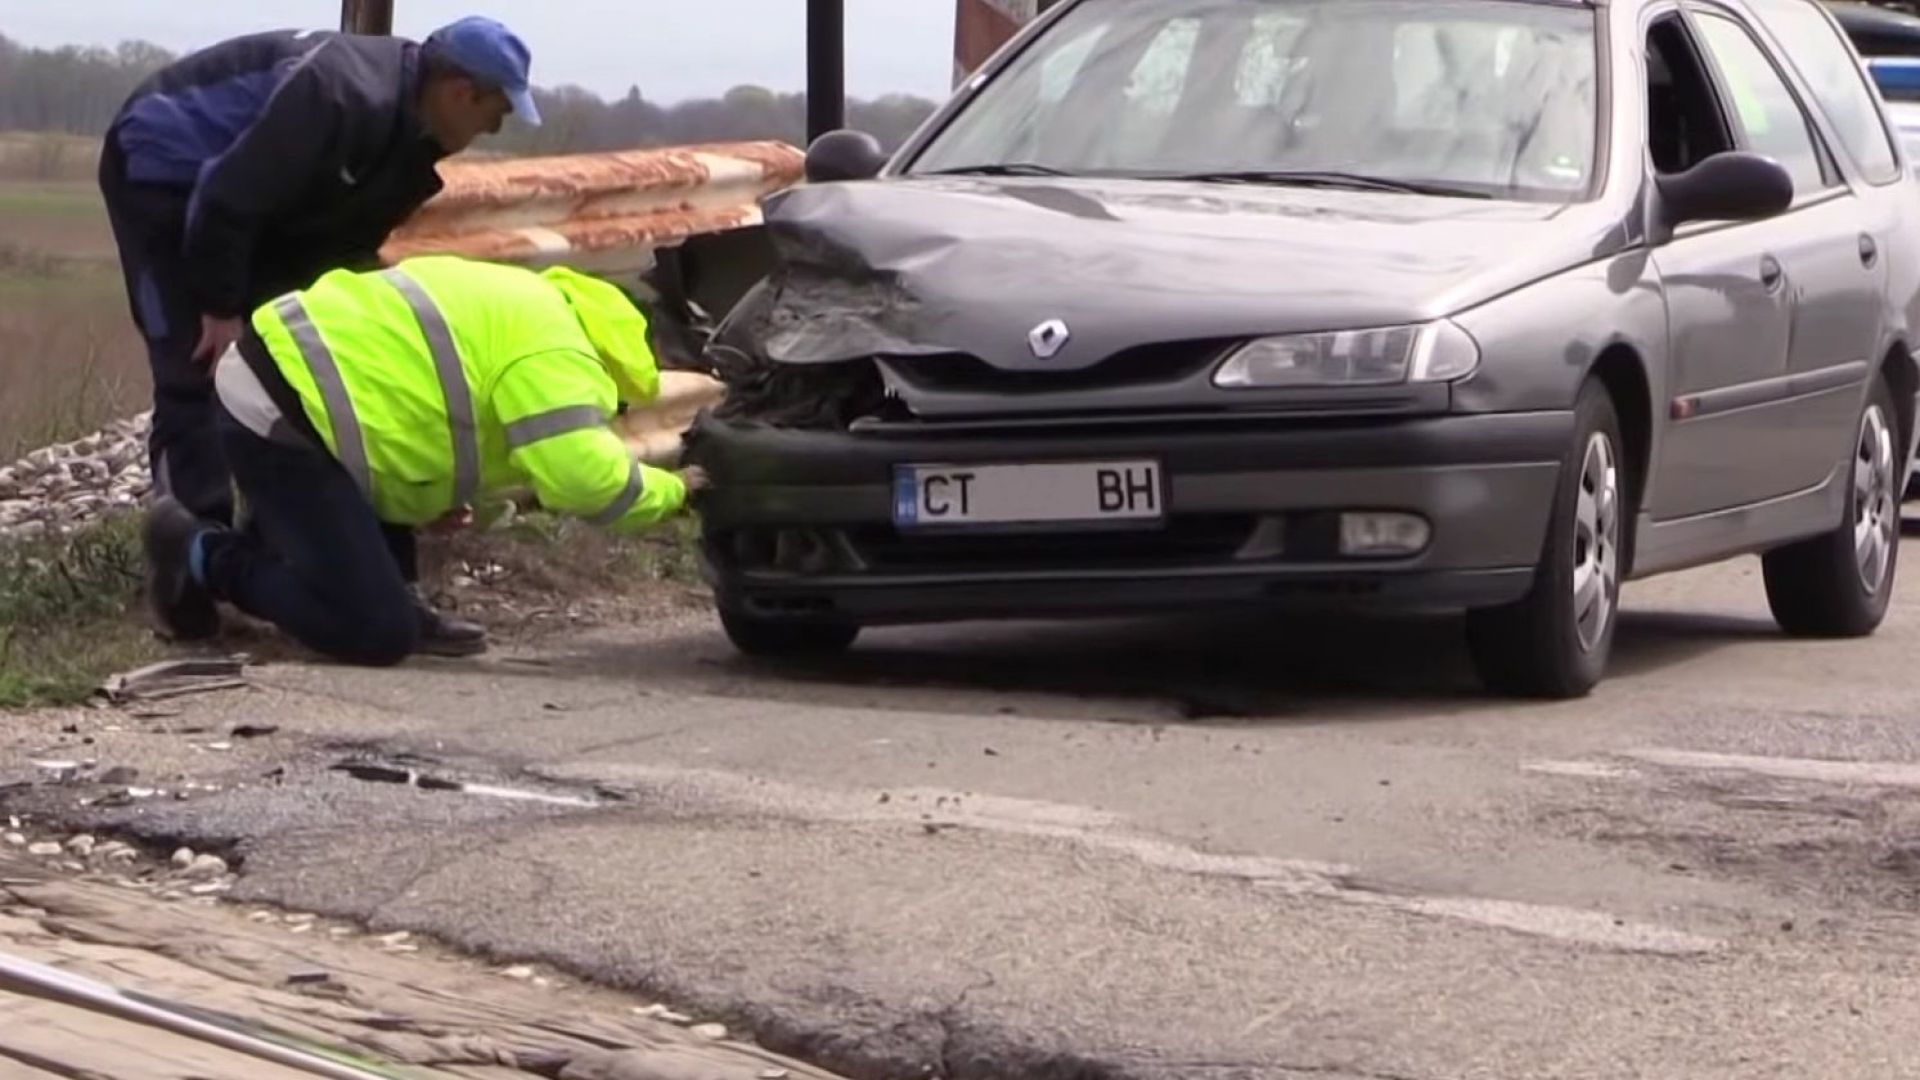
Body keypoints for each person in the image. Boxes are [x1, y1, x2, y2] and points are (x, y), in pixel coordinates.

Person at [99, 14, 543, 655]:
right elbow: (225, 195)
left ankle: (367, 581)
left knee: (333, 379)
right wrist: (221, 309)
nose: (494, 130)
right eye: (495, 113)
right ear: (460, 91)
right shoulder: (339, 93)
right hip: (166, 169)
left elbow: (343, 258)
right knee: (196, 372)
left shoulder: (412, 142)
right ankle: (188, 574)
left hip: (248, 205)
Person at [140, 255, 711, 667]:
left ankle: (287, 553)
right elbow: (583, 480)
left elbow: (421, 401)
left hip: (303, 391)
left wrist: (425, 497)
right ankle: (201, 552)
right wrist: (676, 493)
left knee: (359, 585)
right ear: (620, 364)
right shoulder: (561, 356)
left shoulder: (532, 305)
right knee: (375, 631)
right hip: (283, 412)